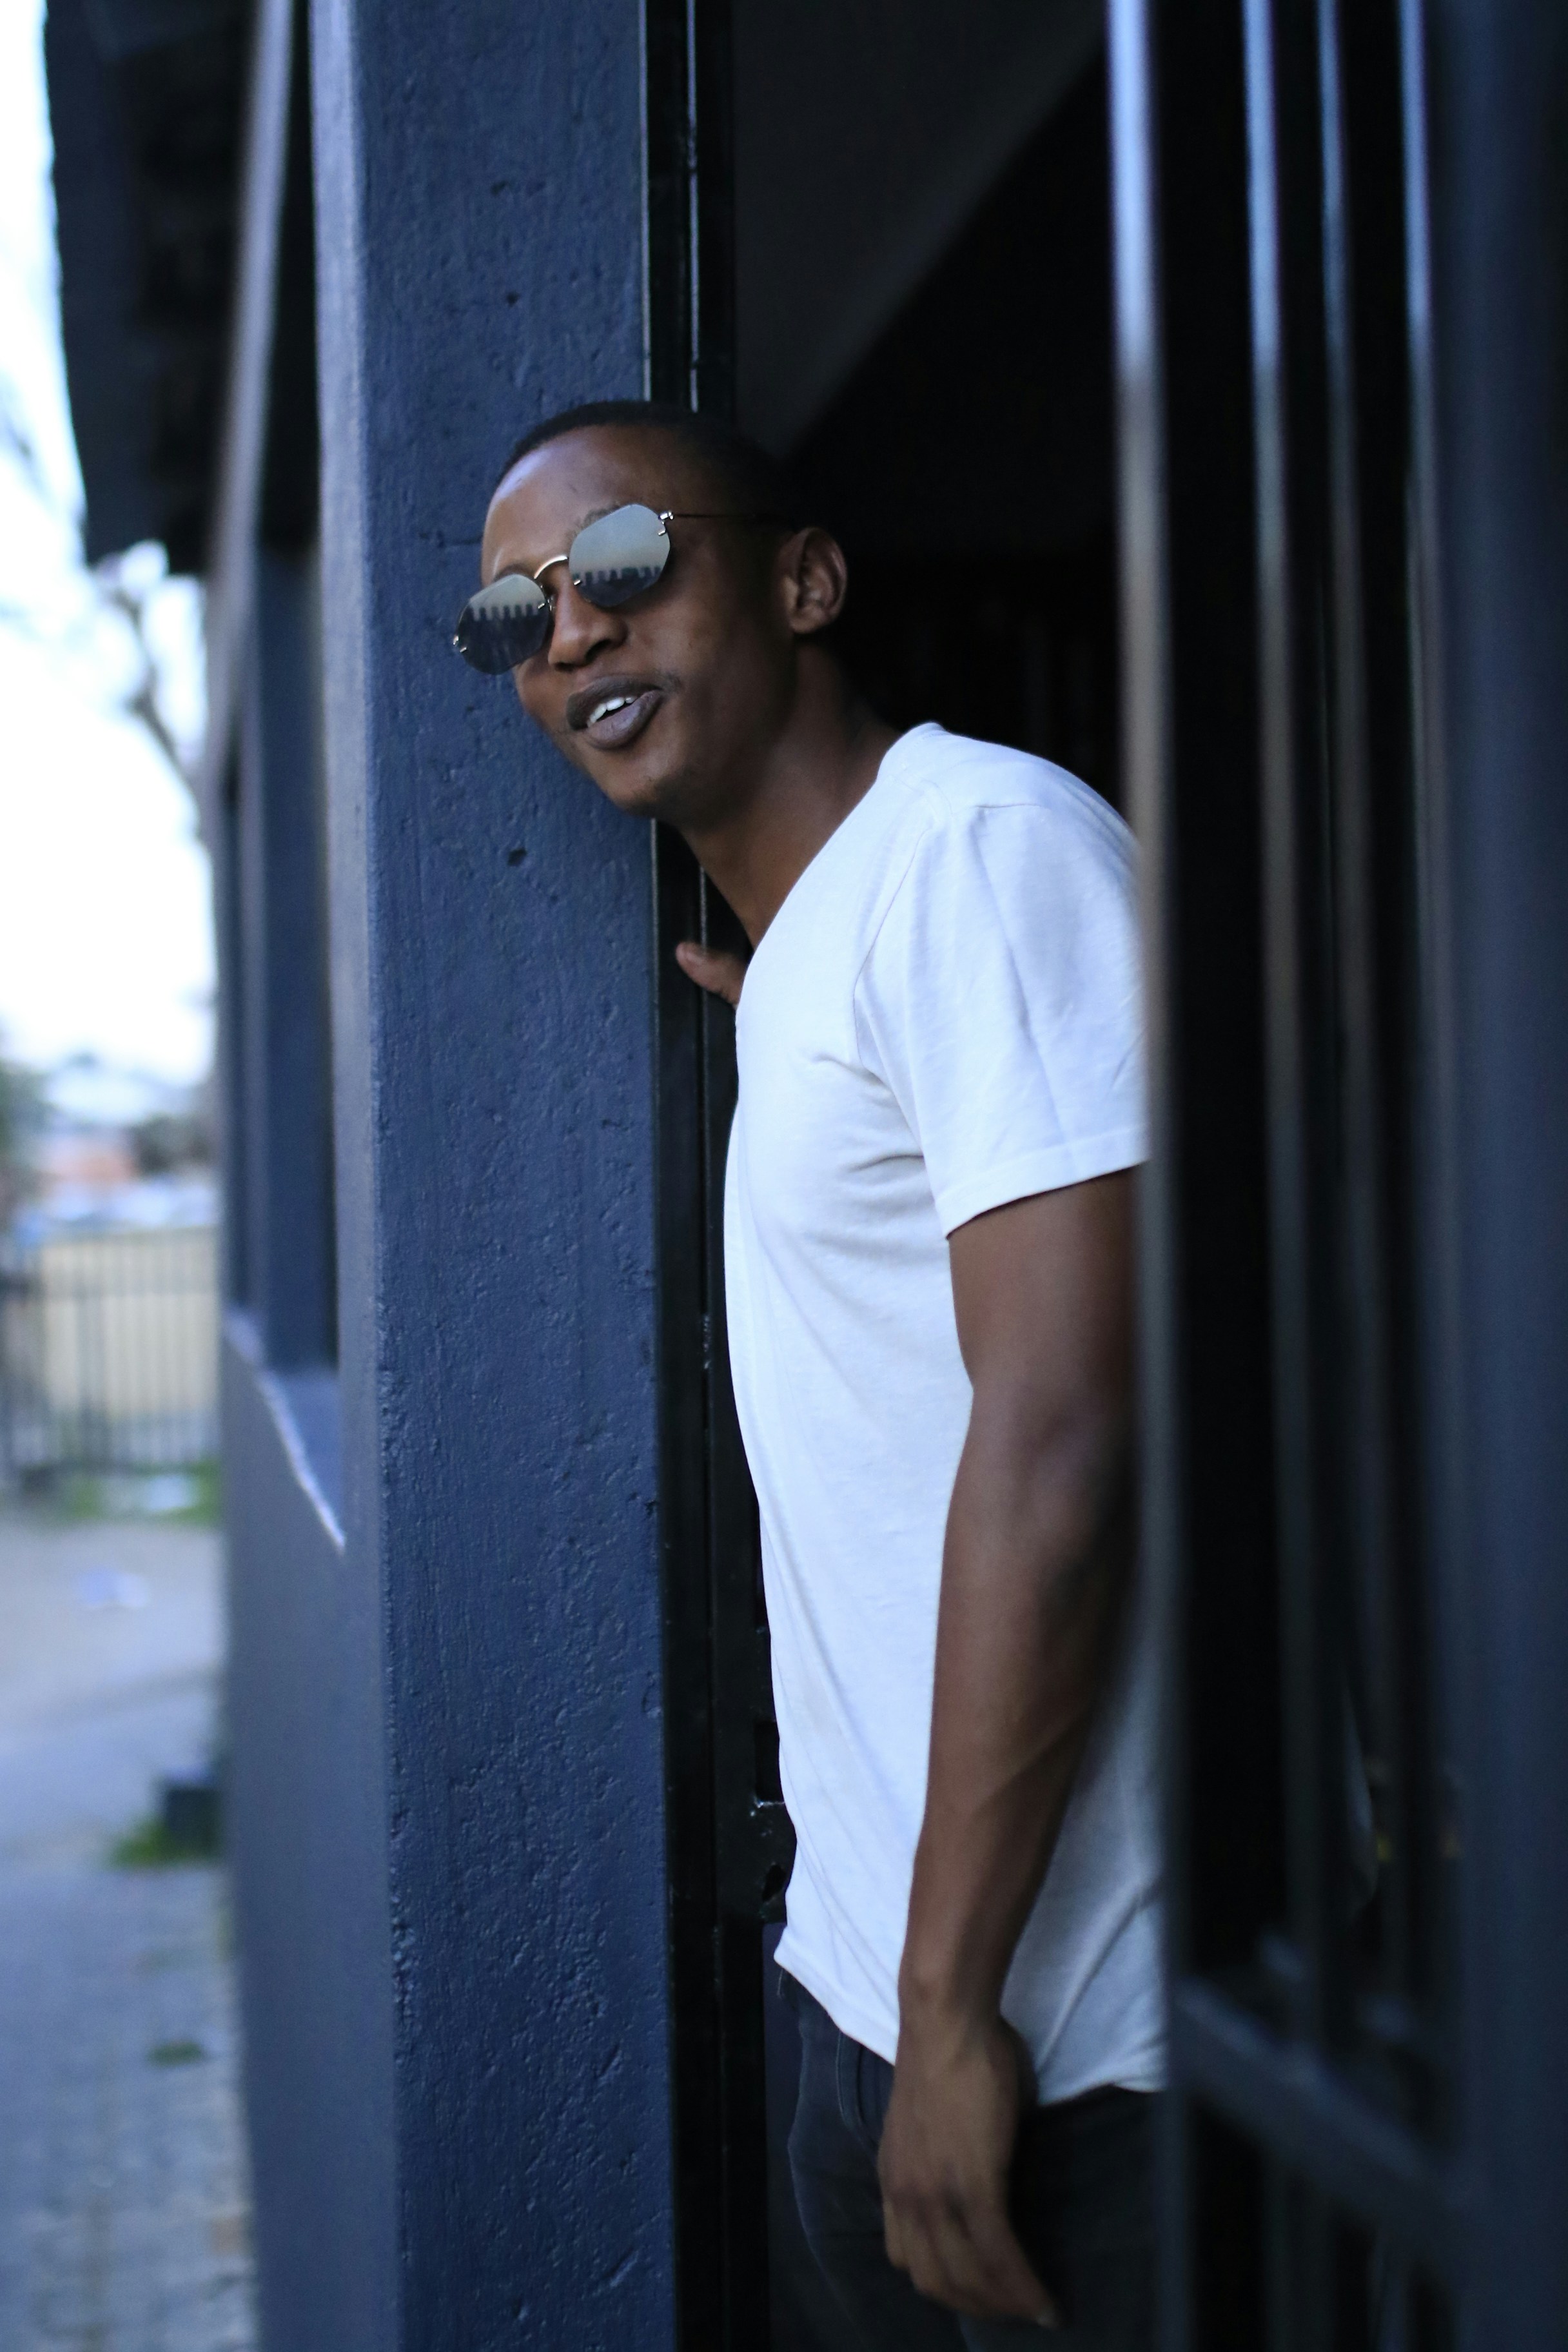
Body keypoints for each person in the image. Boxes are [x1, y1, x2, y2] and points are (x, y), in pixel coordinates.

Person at [459, 400, 1162, 2349]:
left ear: (806, 579)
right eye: (516, 618)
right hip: (868, 2003)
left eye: (616, 568)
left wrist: (951, 2018)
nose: (573, 636)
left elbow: (1062, 1447)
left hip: (1066, 2050)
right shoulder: (842, 939)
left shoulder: (982, 852)